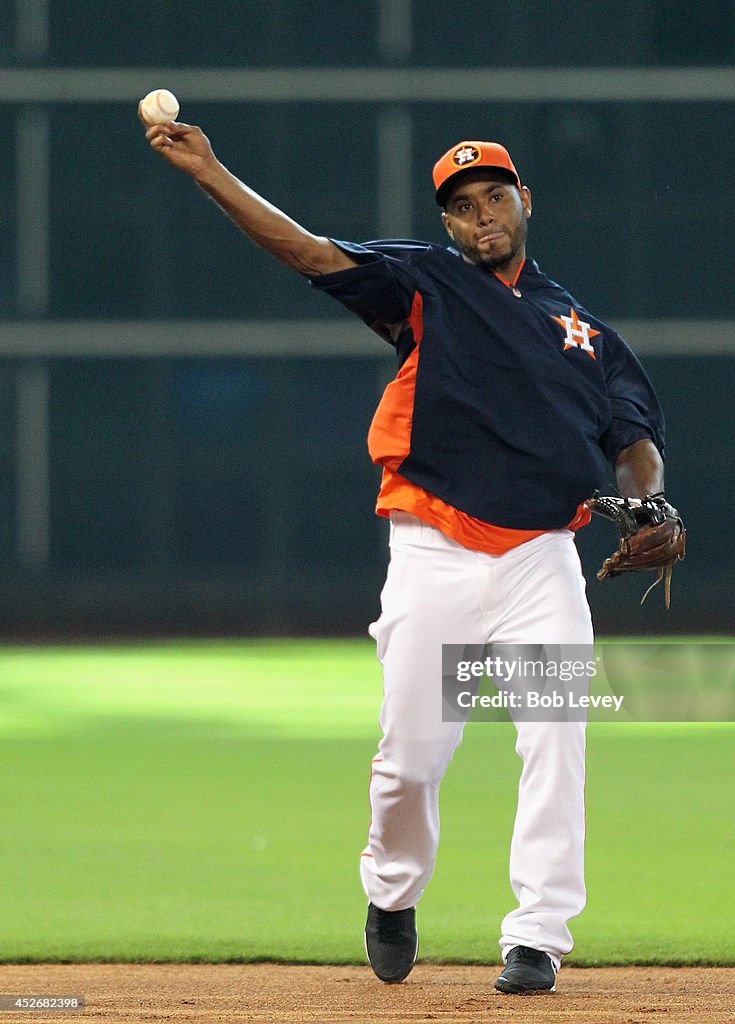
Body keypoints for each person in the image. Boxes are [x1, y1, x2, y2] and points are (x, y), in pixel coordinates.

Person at [143, 118, 669, 994]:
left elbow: (636, 440)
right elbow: (312, 254)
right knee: (411, 759)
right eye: (462, 208)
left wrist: (648, 498)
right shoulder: (427, 285)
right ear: (450, 224)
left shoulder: (589, 333)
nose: (481, 216)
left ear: (523, 201)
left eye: (494, 197)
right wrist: (212, 173)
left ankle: (537, 934)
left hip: (541, 562)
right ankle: (391, 893)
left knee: (555, 740)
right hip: (435, 554)